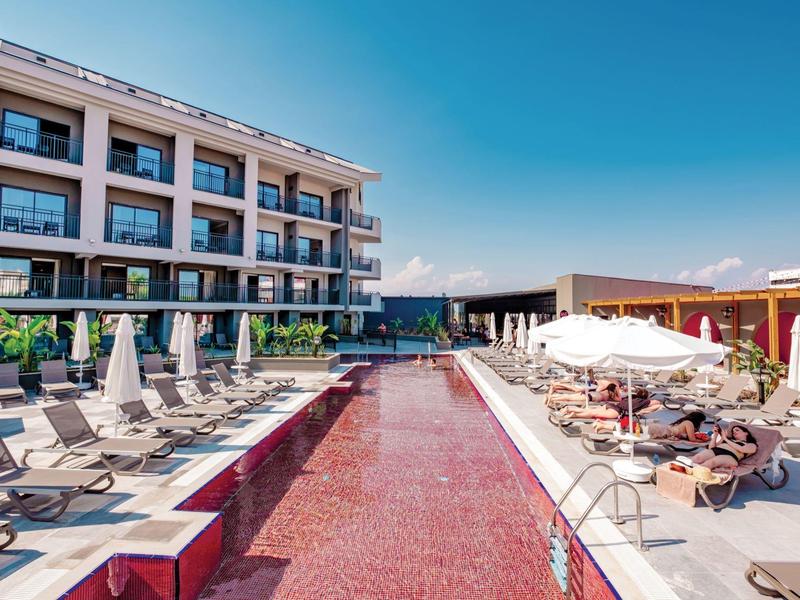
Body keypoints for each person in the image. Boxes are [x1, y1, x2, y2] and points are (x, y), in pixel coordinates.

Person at [558, 383, 662, 420]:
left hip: (610, 405)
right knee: (592, 413)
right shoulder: (644, 402)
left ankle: (573, 413)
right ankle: (570, 409)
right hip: (616, 411)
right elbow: (657, 402)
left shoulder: (631, 397)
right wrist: (649, 405)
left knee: (591, 410)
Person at [690, 423, 758, 470]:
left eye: (737, 430)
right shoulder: (728, 440)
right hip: (717, 450)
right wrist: (716, 435)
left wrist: (725, 439)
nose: (734, 432)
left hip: (730, 456)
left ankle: (693, 475)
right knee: (697, 458)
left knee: (711, 462)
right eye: (733, 431)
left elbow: (742, 449)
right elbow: (711, 448)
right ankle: (682, 469)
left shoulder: (751, 444)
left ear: (746, 433)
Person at [593, 410, 707, 438]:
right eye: (702, 422)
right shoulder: (690, 424)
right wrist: (704, 439)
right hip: (658, 430)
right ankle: (602, 425)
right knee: (630, 428)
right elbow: (692, 439)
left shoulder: (686, 421)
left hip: (659, 428)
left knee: (630, 426)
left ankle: (603, 423)